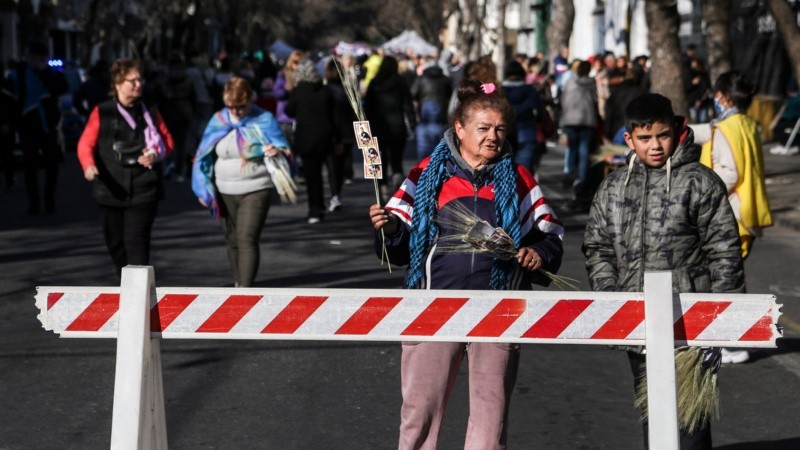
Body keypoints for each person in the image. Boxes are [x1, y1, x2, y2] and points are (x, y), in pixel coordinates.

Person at [369, 79, 564, 449]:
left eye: (500, 130)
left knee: (491, 422)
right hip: (432, 305)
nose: (493, 137)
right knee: (419, 416)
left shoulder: (520, 180)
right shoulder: (425, 175)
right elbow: (395, 241)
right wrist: (391, 227)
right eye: (483, 128)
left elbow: (549, 233)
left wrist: (538, 253)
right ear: (459, 128)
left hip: (498, 308)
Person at [583, 93, 744, 449]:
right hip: (635, 321)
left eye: (663, 135)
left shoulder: (700, 182)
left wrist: (723, 318)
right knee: (653, 414)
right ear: (629, 139)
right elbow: (598, 248)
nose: (655, 145)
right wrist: (612, 299)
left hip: (691, 323)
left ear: (676, 131)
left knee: (690, 423)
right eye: (645, 138)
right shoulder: (611, 188)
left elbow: (724, 251)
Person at [690, 71, 773, 364]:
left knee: (724, 282)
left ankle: (732, 342)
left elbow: (728, 173)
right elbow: (710, 131)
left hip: (729, 214)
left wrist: (700, 192)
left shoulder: (726, 128)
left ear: (723, 97)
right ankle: (732, 339)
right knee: (729, 278)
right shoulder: (746, 124)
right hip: (746, 213)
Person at [76, 58, 174, 278]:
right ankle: (126, 284)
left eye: (140, 79)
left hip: (144, 188)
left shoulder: (150, 111)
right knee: (116, 243)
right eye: (133, 80)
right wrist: (88, 165)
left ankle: (136, 296)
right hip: (110, 189)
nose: (139, 84)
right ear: (118, 84)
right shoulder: (102, 112)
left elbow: (167, 141)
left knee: (136, 242)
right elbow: (85, 143)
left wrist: (155, 154)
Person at [192, 76, 289, 287]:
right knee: (232, 239)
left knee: (246, 238)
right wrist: (203, 189)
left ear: (250, 100)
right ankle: (238, 283)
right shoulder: (218, 120)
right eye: (230, 106)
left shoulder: (264, 119)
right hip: (224, 188)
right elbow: (202, 155)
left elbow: (284, 147)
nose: (235, 111)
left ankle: (246, 288)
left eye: (240, 106)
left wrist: (276, 150)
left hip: (256, 187)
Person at [5, 42, 68, 215]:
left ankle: (49, 200)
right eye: (37, 58)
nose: (40, 61)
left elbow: (62, 88)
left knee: (52, 164)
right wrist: (9, 123)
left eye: (43, 58)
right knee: (30, 166)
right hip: (27, 124)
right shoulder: (17, 74)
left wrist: (46, 72)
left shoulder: (50, 73)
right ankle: (34, 204)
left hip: (48, 124)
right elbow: (8, 101)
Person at [284, 60, 337, 224]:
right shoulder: (326, 91)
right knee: (323, 173)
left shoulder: (298, 91)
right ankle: (322, 203)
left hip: (306, 138)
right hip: (325, 137)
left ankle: (314, 209)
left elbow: (289, 110)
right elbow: (334, 115)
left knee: (312, 175)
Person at [364, 56, 415, 194]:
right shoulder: (400, 83)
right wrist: (412, 122)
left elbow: (367, 107)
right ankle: (397, 181)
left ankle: (382, 186)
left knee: (380, 158)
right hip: (397, 126)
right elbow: (408, 105)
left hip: (378, 127)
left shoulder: (374, 83)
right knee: (396, 158)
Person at [559, 59, 598, 207]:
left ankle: (569, 172)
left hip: (570, 120)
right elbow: (595, 100)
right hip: (587, 120)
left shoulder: (570, 82)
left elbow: (564, 100)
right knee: (584, 150)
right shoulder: (591, 83)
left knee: (572, 147)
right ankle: (581, 178)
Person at [501, 60, 546, 174]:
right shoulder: (531, 91)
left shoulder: (499, 91)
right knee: (524, 176)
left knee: (504, 175)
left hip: (503, 136)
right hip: (526, 134)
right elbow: (541, 114)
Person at [410, 55, 452, 161]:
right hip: (441, 114)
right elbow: (450, 96)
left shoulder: (421, 79)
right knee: (440, 144)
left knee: (424, 145)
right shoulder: (445, 79)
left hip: (425, 113)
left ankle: (425, 165)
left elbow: (413, 94)